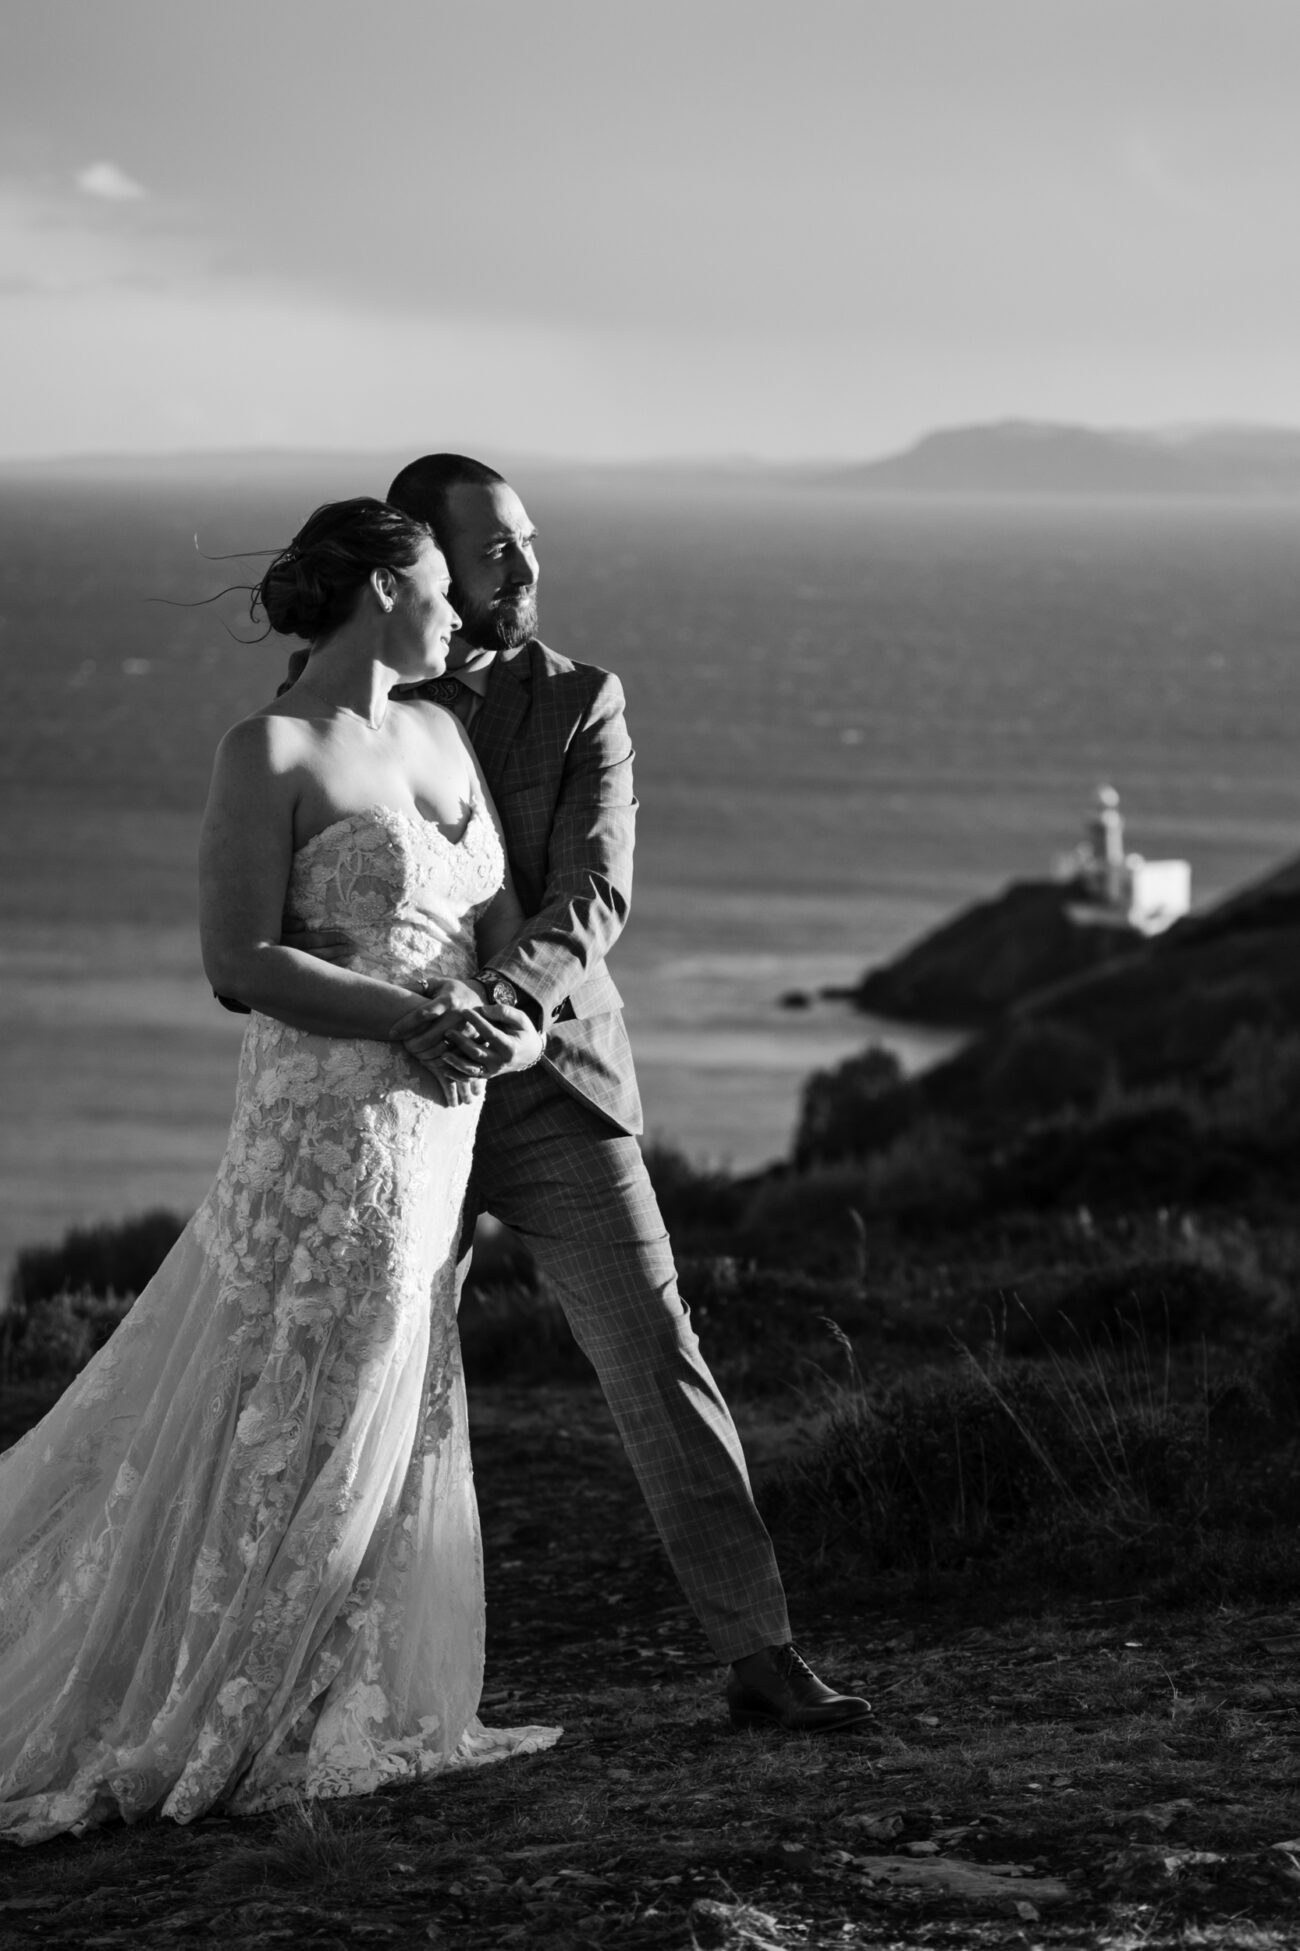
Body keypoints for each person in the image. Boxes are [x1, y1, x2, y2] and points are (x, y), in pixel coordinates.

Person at [0, 498, 561, 1847]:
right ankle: (232, 1691)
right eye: (439, 584)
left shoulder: (438, 730)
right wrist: (414, 1018)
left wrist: (510, 1013)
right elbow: (239, 961)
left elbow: (490, 919)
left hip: (442, 1114)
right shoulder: (271, 749)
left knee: (395, 1377)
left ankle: (340, 1686)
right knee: (302, 1374)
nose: (460, 609)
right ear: (385, 582)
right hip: (331, 1123)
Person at [287, 455, 871, 1735]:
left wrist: (511, 1007)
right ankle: (308, 1678)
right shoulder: (338, 707)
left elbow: (594, 891)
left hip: (553, 1085)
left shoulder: (583, 699)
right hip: (394, 1098)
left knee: (659, 1355)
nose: (527, 571)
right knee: (358, 1374)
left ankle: (762, 1652)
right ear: (421, 565)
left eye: (530, 543)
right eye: (494, 552)